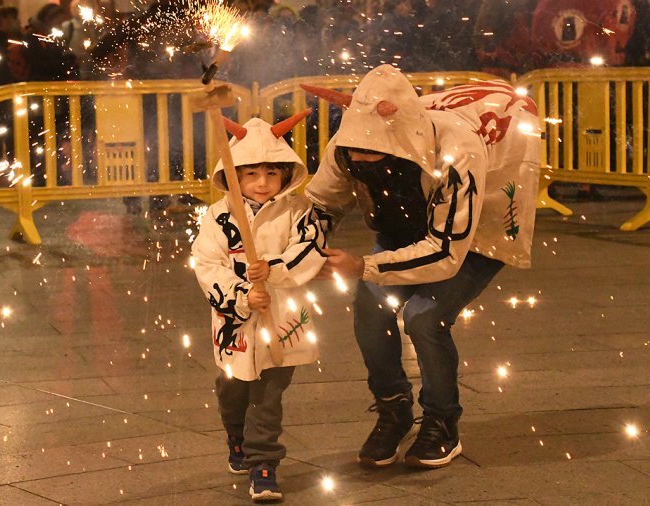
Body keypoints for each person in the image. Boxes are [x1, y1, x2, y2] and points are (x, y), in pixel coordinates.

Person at [302, 64, 540, 468]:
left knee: (425, 318)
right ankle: (393, 409)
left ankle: (442, 421)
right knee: (370, 305)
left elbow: (445, 251)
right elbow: (322, 205)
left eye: (375, 157)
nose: (364, 163)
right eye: (357, 154)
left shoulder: (457, 150)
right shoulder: (344, 146)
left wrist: (363, 265)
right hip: (405, 228)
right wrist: (293, 252)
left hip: (476, 231)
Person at [191, 112, 328, 502]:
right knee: (232, 388)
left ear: (286, 174)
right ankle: (237, 436)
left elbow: (309, 249)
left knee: (269, 394)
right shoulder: (219, 215)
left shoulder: (298, 210)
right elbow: (206, 263)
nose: (262, 182)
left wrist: (274, 269)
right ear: (233, 175)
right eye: (250, 173)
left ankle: (264, 464)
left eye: (271, 172)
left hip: (282, 316)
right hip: (236, 321)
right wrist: (241, 295)